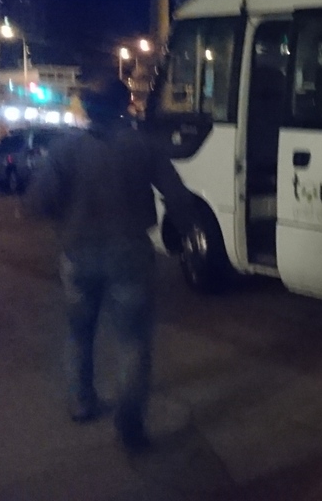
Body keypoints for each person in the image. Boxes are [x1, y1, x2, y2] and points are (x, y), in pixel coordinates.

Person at [23, 73, 195, 450]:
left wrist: (65, 214)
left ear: (86, 109)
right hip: (130, 252)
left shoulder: (64, 150)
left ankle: (82, 403)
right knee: (133, 340)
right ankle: (130, 425)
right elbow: (177, 195)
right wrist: (182, 232)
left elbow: (36, 203)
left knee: (79, 332)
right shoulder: (142, 146)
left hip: (77, 251)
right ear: (124, 105)